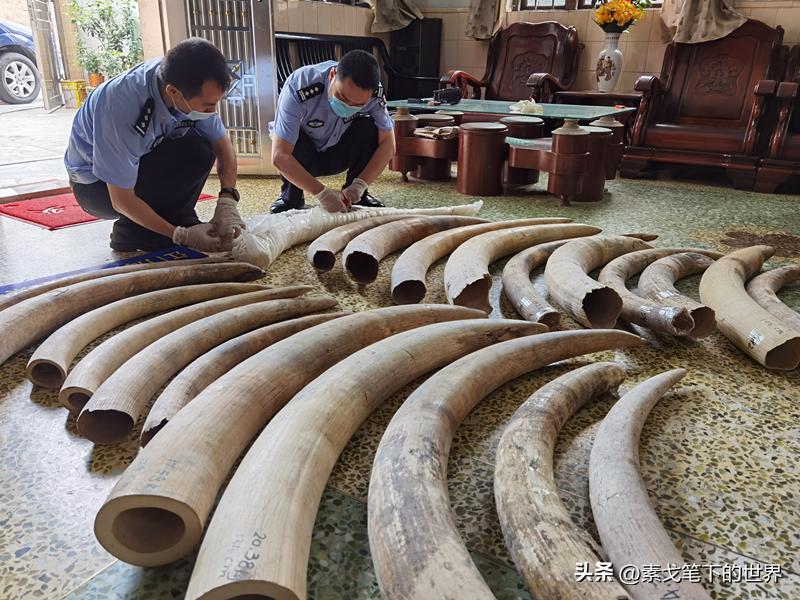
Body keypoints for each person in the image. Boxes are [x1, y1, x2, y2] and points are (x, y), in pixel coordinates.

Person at [65, 38, 245, 252]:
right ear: (173, 92)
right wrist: (181, 236)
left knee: (199, 150)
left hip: (142, 164)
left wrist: (227, 199)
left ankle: (178, 219)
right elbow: (121, 199)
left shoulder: (187, 82)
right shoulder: (120, 106)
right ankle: (130, 233)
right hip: (96, 188)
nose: (211, 112)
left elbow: (223, 147)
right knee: (182, 158)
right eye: (207, 107)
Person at [269, 49, 395, 213]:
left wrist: (360, 185)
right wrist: (322, 193)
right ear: (332, 75)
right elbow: (279, 155)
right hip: (304, 157)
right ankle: (291, 197)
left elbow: (389, 144)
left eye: (358, 104)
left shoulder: (374, 94)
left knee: (370, 127)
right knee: (290, 136)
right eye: (342, 97)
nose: (348, 106)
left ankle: (357, 195)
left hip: (338, 153)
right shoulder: (301, 85)